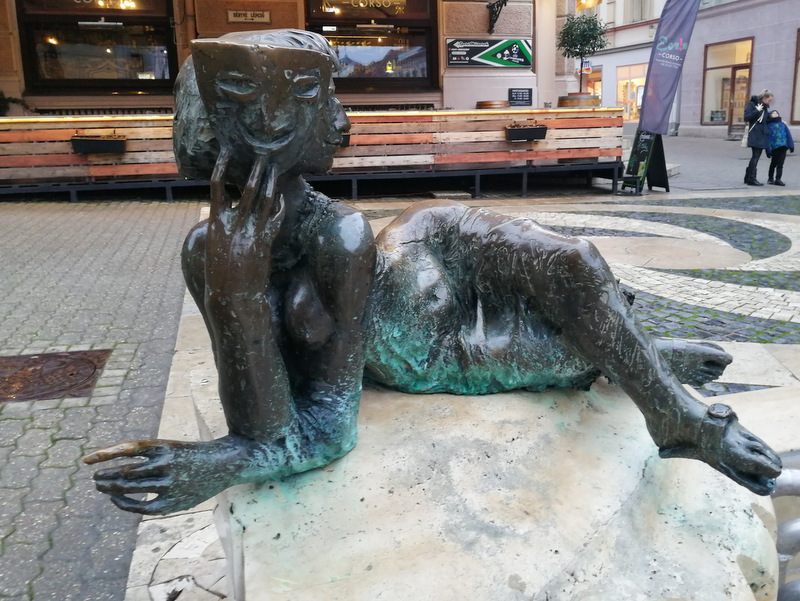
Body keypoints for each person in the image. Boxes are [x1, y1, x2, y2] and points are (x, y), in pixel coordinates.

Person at [84, 30, 781, 516]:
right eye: (240, 91)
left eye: (304, 92)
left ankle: (677, 416)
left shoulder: (341, 233)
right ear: (215, 108)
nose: (270, 117)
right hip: (433, 346)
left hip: (425, 239)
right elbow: (310, 429)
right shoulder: (208, 251)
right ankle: (642, 356)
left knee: (575, 262)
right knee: (569, 347)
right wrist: (236, 300)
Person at [743, 89, 773, 186]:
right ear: (764, 98)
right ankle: (751, 178)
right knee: (755, 156)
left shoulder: (764, 107)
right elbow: (746, 117)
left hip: (761, 133)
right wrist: (757, 110)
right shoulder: (752, 104)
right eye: (769, 100)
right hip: (755, 133)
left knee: (756, 156)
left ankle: (748, 177)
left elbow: (765, 119)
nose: (770, 102)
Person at [766, 109, 794, 186]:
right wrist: (768, 149)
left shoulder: (783, 124)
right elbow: (767, 138)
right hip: (774, 147)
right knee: (773, 163)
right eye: (773, 113)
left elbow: (788, 135)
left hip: (783, 146)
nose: (775, 114)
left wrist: (791, 145)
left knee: (780, 163)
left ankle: (778, 179)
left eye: (776, 113)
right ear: (770, 115)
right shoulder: (768, 125)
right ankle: (770, 178)